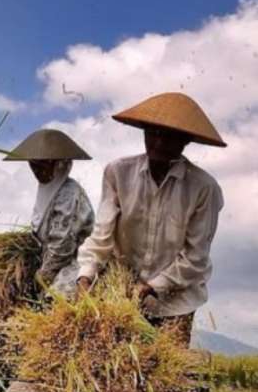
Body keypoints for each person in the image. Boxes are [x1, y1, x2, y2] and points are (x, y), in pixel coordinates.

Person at [77, 92, 226, 347]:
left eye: (169, 136)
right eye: (152, 133)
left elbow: (195, 258)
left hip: (175, 303)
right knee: (115, 374)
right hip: (120, 297)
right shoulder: (118, 173)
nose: (158, 142)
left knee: (166, 375)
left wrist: (151, 286)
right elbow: (101, 234)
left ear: (185, 141)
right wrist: (86, 275)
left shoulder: (203, 188)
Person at [3, 129, 95, 296]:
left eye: (43, 164)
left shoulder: (69, 193)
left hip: (77, 263)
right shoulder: (47, 191)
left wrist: (44, 275)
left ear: (59, 164)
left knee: (54, 300)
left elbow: (62, 245)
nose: (37, 170)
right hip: (53, 263)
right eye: (33, 164)